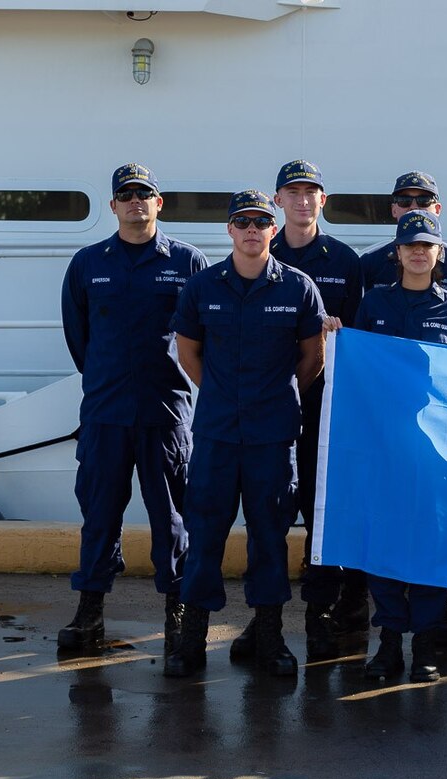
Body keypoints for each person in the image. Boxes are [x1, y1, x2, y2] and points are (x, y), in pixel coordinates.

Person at [164, 189, 325, 678]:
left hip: (272, 438)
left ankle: (269, 638)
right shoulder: (203, 286)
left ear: (272, 230)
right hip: (215, 434)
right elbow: (188, 352)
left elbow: (312, 357)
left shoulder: (297, 287)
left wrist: (273, 397)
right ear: (229, 231)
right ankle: (191, 642)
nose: (252, 229)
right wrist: (221, 393)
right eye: (243, 222)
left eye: (260, 222)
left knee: (270, 539)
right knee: (205, 536)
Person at [59, 163, 208, 653]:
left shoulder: (188, 262)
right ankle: (89, 614)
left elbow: (201, 338)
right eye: (126, 194)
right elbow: (79, 339)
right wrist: (107, 378)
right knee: (99, 514)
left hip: (164, 413)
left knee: (171, 518)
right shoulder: (87, 263)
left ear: (158, 203)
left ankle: (176, 611)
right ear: (113, 205)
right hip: (105, 413)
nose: (135, 201)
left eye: (144, 194)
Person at [226, 160, 367, 663]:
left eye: (312, 192)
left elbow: (361, 333)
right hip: (267, 408)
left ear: (322, 201)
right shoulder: (264, 246)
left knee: (322, 511)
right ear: (278, 200)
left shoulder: (346, 259)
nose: (303, 200)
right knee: (269, 517)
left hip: (327, 407)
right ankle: (262, 621)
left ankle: (320, 617)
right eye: (293, 192)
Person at [353, 210, 447, 683]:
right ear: (397, 253)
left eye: (427, 246)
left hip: (435, 449)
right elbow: (360, 369)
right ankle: (387, 642)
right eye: (410, 246)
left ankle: (426, 639)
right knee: (382, 536)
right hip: (383, 444)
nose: (418, 253)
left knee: (431, 538)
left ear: (438, 253)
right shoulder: (376, 303)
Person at [359, 171, 447, 293]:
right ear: (394, 210)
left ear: (437, 209)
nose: (413, 207)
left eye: (424, 200)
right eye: (405, 200)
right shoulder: (369, 263)